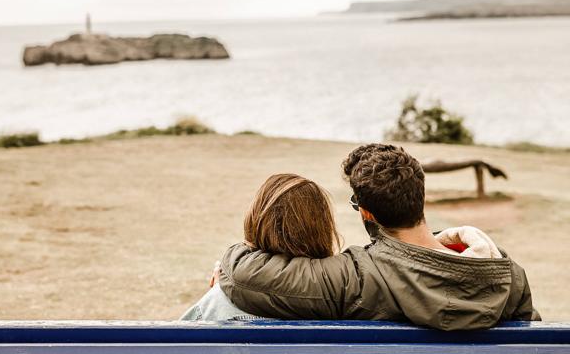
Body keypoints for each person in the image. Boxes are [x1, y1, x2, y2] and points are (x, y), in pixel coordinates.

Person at [218, 144, 540, 330]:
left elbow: (247, 277)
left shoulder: (358, 279)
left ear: (367, 213)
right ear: (420, 197)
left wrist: (230, 257)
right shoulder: (506, 273)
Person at [180, 173, 341, 321]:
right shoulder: (344, 301)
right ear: (323, 229)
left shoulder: (216, 303)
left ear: (258, 221)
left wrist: (222, 290)